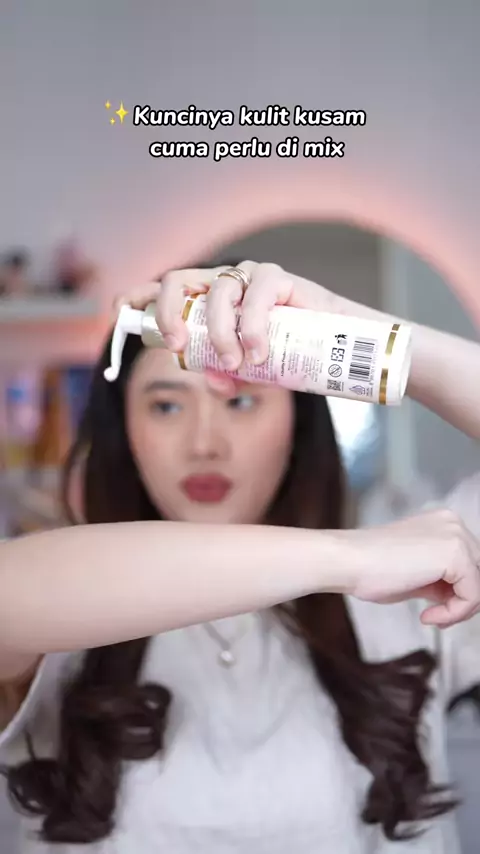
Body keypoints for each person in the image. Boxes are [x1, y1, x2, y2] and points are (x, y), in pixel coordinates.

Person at [0, 261, 480, 854]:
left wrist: (349, 327)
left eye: (243, 400)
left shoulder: (409, 598)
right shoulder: (65, 620)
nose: (205, 443)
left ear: (297, 423)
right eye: (166, 406)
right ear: (125, 430)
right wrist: (345, 556)